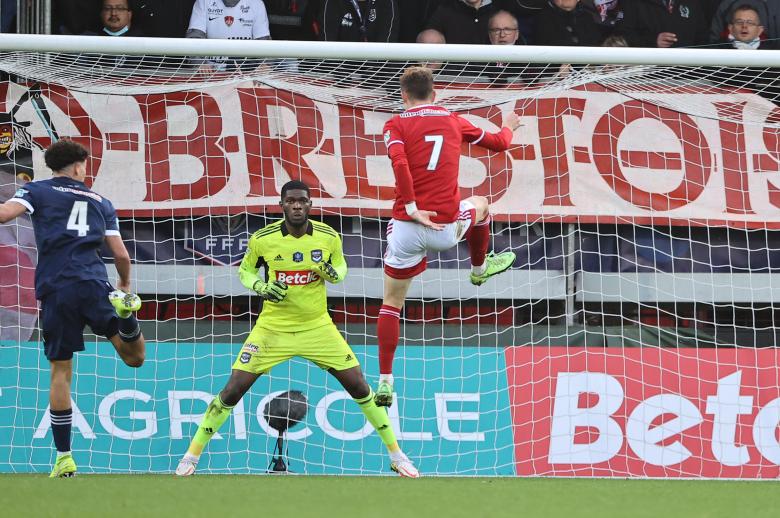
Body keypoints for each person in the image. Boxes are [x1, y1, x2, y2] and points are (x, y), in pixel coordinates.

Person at [175, 180, 419, 478]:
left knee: (358, 385)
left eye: (302, 200)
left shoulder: (328, 236)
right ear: (282, 205)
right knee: (233, 389)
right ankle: (192, 455)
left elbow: (341, 269)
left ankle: (396, 455)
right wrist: (261, 286)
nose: (297, 205)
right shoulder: (263, 239)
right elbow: (245, 271)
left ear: (310, 205)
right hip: (272, 329)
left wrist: (332, 272)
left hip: (317, 327)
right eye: (291, 201)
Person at [374, 66, 520, 407]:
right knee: (482, 204)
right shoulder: (453, 120)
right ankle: (480, 268)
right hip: (446, 230)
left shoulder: (395, 125)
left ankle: (384, 380)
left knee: (391, 304)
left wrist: (411, 207)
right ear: (435, 93)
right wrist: (509, 126)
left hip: (407, 228)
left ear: (404, 95)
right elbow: (499, 144)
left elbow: (399, 163)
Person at [0, 140, 145, 478]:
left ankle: (64, 457)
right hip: (94, 284)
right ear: (79, 166)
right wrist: (123, 284)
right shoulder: (100, 201)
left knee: (61, 371)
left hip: (55, 289)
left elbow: (5, 214)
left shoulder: (35, 190)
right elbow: (121, 255)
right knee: (134, 357)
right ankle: (126, 316)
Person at [617, 0, 709, 48]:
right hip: (647, 75)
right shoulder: (633, 2)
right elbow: (622, 35)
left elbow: (703, 38)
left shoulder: (693, 2)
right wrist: (653, 41)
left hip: (688, 75)